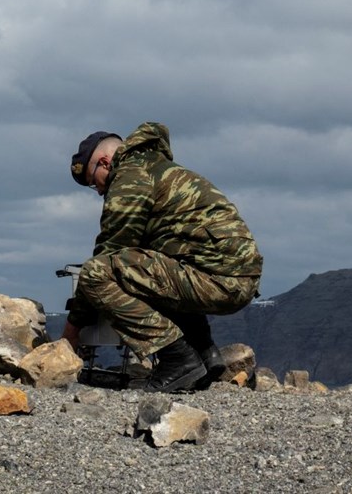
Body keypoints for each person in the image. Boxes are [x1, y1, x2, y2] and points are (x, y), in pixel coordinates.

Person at [64, 122, 263, 392]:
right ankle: (204, 354)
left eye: (93, 182)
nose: (99, 191)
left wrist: (73, 329)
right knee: (149, 267)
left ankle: (178, 359)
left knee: (96, 273)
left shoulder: (130, 177)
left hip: (219, 280)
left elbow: (109, 253)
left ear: (105, 162)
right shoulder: (157, 168)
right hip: (234, 279)